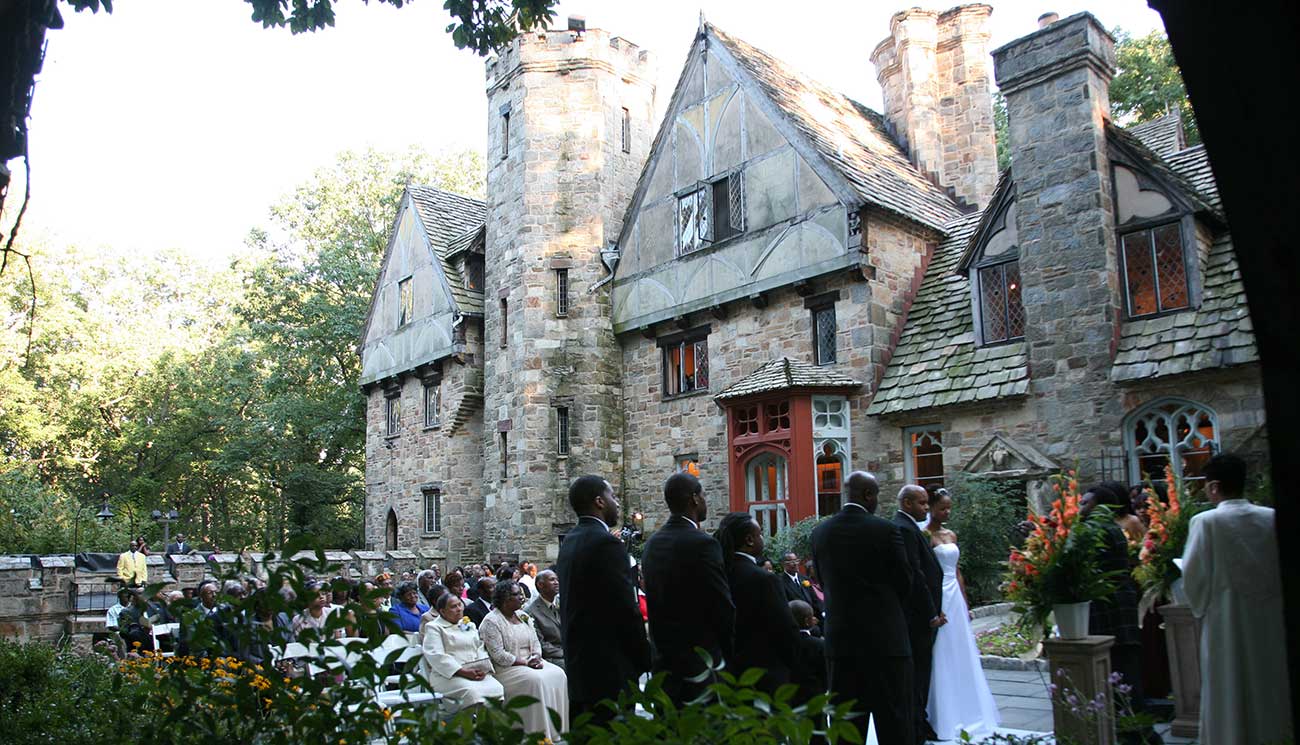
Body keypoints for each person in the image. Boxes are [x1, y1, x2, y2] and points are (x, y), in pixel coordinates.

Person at [1181, 453, 1292, 745]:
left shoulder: (1206, 522)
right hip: (1269, 614)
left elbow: (1193, 575)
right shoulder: (1270, 517)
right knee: (1268, 678)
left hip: (1225, 617)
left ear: (1214, 486)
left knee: (1227, 683)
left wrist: (1199, 602)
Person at [811, 471, 913, 745]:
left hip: (842, 643)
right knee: (894, 723)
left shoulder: (820, 532)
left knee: (846, 727)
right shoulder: (886, 530)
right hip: (885, 643)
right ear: (869, 495)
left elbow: (821, 579)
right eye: (876, 494)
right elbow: (905, 583)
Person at [556, 475, 650, 725]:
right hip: (609, 670)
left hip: (579, 666)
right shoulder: (606, 543)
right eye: (613, 496)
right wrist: (644, 657)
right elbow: (624, 609)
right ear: (599, 501)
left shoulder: (569, 542)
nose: (617, 503)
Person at [641, 472, 734, 705]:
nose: (705, 501)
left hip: (664, 662)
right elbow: (721, 605)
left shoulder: (653, 544)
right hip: (701, 663)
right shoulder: (703, 543)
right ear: (694, 499)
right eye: (703, 496)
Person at [925, 490, 1000, 740]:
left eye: (949, 508)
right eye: (942, 508)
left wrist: (965, 602)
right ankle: (942, 712)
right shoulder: (926, 536)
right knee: (942, 649)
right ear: (931, 508)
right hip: (939, 593)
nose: (946, 513)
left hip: (954, 594)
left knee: (961, 646)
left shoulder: (951, 534)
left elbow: (957, 571)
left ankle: (969, 708)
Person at [1080, 481, 1145, 722]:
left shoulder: (1097, 530)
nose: (1080, 507)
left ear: (1101, 507)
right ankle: (1131, 721)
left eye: (1085, 503)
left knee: (1120, 665)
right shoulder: (1111, 528)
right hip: (1118, 601)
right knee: (1124, 663)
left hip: (1108, 605)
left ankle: (1129, 724)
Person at [715, 511, 799, 693]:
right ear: (749, 540)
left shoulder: (719, 574)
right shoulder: (765, 580)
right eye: (760, 533)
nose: (763, 538)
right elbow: (785, 630)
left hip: (728, 673)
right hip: (765, 674)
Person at [479, 580, 569, 740]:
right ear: (505, 598)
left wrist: (536, 656)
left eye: (521, 594)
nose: (522, 597)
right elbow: (498, 655)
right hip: (506, 668)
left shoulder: (523, 616)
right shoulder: (491, 621)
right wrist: (525, 663)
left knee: (558, 674)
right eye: (517, 594)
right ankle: (536, 732)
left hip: (531, 661)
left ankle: (558, 729)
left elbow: (535, 641)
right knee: (536, 680)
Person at [895, 484, 945, 744]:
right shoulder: (903, 528)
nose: (927, 508)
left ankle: (920, 721)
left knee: (923, 673)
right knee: (918, 674)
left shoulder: (910, 526)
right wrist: (930, 613)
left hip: (925, 613)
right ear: (907, 504)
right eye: (922, 503)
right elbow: (915, 574)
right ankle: (916, 726)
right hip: (917, 618)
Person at [420, 592, 505, 713]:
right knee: (472, 693)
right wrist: (462, 671)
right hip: (448, 676)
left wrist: (482, 668)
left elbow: (479, 647)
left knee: (497, 688)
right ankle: (467, 728)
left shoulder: (468, 624)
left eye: (459, 604)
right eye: (453, 607)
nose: (459, 609)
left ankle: (489, 729)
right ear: (443, 611)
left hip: (474, 672)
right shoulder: (434, 627)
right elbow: (436, 655)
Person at [788, 600, 827, 706]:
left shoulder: (782, 643)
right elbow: (825, 674)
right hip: (814, 698)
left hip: (788, 698)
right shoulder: (819, 645)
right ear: (807, 621)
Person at [523, 569, 564, 669]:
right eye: (552, 580)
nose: (557, 582)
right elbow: (541, 644)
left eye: (557, 580)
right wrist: (565, 653)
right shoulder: (530, 612)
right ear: (540, 585)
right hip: (553, 656)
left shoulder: (563, 602)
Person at [778, 552, 824, 621]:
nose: (795, 563)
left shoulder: (805, 579)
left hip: (814, 617)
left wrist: (822, 612)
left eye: (796, 560)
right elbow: (786, 605)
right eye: (791, 561)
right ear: (783, 564)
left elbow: (814, 599)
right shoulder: (780, 582)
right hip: (798, 620)